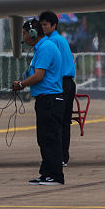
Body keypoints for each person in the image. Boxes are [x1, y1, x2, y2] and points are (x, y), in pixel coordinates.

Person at [11, 16, 64, 185]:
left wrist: (21, 84)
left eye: (25, 34)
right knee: (43, 139)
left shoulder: (46, 48)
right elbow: (33, 73)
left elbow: (39, 76)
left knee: (50, 139)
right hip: (43, 100)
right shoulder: (40, 48)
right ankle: (46, 173)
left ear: (33, 33)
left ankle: (56, 176)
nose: (24, 38)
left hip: (50, 100)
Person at [40, 10, 76, 166]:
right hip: (67, 83)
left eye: (45, 25)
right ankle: (62, 156)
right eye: (41, 25)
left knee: (57, 122)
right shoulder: (59, 39)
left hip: (61, 84)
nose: (43, 27)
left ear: (54, 25)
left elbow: (48, 67)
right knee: (63, 122)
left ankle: (59, 156)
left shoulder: (51, 42)